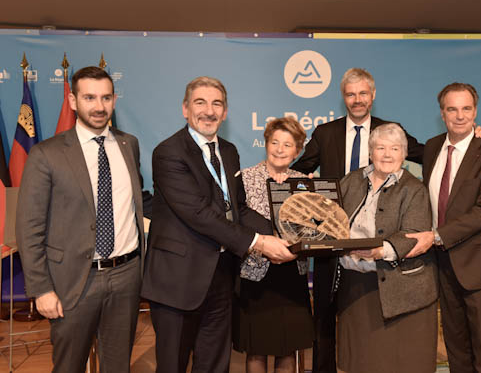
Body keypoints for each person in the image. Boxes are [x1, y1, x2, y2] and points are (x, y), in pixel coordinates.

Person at [141, 76, 295, 373]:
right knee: (172, 365)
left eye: (217, 104)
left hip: (222, 276)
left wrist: (281, 234)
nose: (209, 111)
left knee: (214, 364)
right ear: (185, 109)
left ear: (225, 112)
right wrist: (260, 243)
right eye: (200, 103)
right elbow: (198, 213)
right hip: (178, 281)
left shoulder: (228, 150)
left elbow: (235, 208)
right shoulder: (169, 152)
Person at [291, 67, 423, 373]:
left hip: (381, 241)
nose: (357, 100)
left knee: (370, 315)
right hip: (333, 239)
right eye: (351, 94)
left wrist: (470, 140)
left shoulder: (391, 131)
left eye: (363, 93)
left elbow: (428, 154)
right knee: (324, 314)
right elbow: (300, 169)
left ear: (373, 96)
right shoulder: (325, 133)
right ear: (343, 97)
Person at [15, 66, 145, 373]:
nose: (99, 106)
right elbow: (29, 227)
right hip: (73, 281)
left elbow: (134, 203)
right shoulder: (47, 154)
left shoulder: (129, 144)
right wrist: (41, 288)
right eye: (89, 97)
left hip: (126, 275)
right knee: (69, 366)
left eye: (106, 97)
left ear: (114, 100)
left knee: (118, 366)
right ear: (73, 101)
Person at [416, 82, 481, 373]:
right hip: (442, 264)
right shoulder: (432, 147)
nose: (459, 116)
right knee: (456, 349)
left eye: (466, 108)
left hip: (480, 267)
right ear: (442, 113)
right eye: (452, 109)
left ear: (476, 111)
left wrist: (437, 235)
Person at [334, 123, 438, 373]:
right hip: (355, 288)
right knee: (359, 362)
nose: (387, 154)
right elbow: (330, 219)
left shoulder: (414, 189)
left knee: (399, 363)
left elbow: (413, 233)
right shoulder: (350, 181)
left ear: (404, 154)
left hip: (401, 292)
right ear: (371, 152)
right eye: (380, 148)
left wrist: (380, 251)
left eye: (395, 148)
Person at [233, 117, 314, 373]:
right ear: (266, 144)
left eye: (287, 144)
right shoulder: (244, 178)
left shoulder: (305, 182)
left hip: (292, 275)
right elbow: (234, 227)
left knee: (287, 348)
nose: (280, 149)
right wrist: (261, 246)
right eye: (274, 142)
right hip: (255, 277)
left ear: (297, 150)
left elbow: (314, 230)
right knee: (256, 349)